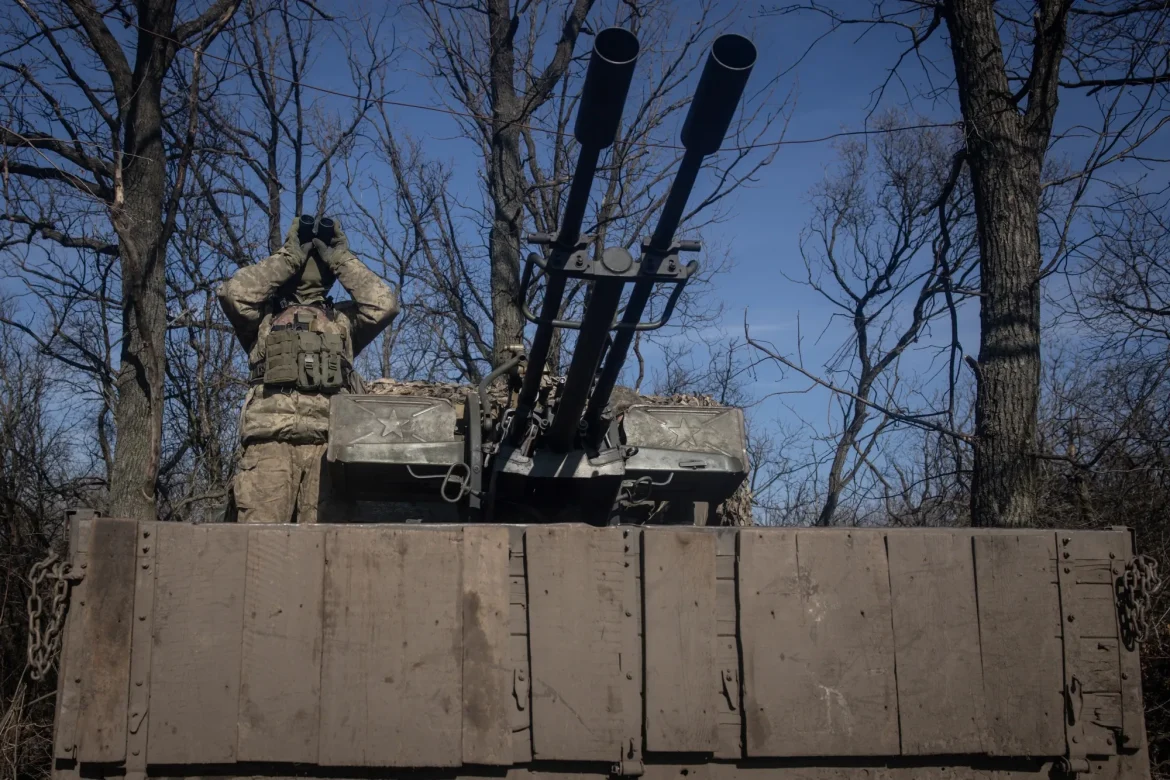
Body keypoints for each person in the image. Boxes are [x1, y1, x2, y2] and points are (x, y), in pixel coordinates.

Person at [218, 216, 398, 523]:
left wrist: (340, 258)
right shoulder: (263, 318)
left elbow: (384, 305)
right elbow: (233, 293)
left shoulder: (342, 321)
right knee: (257, 543)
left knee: (325, 545)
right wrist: (289, 257)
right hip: (268, 443)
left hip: (328, 447)